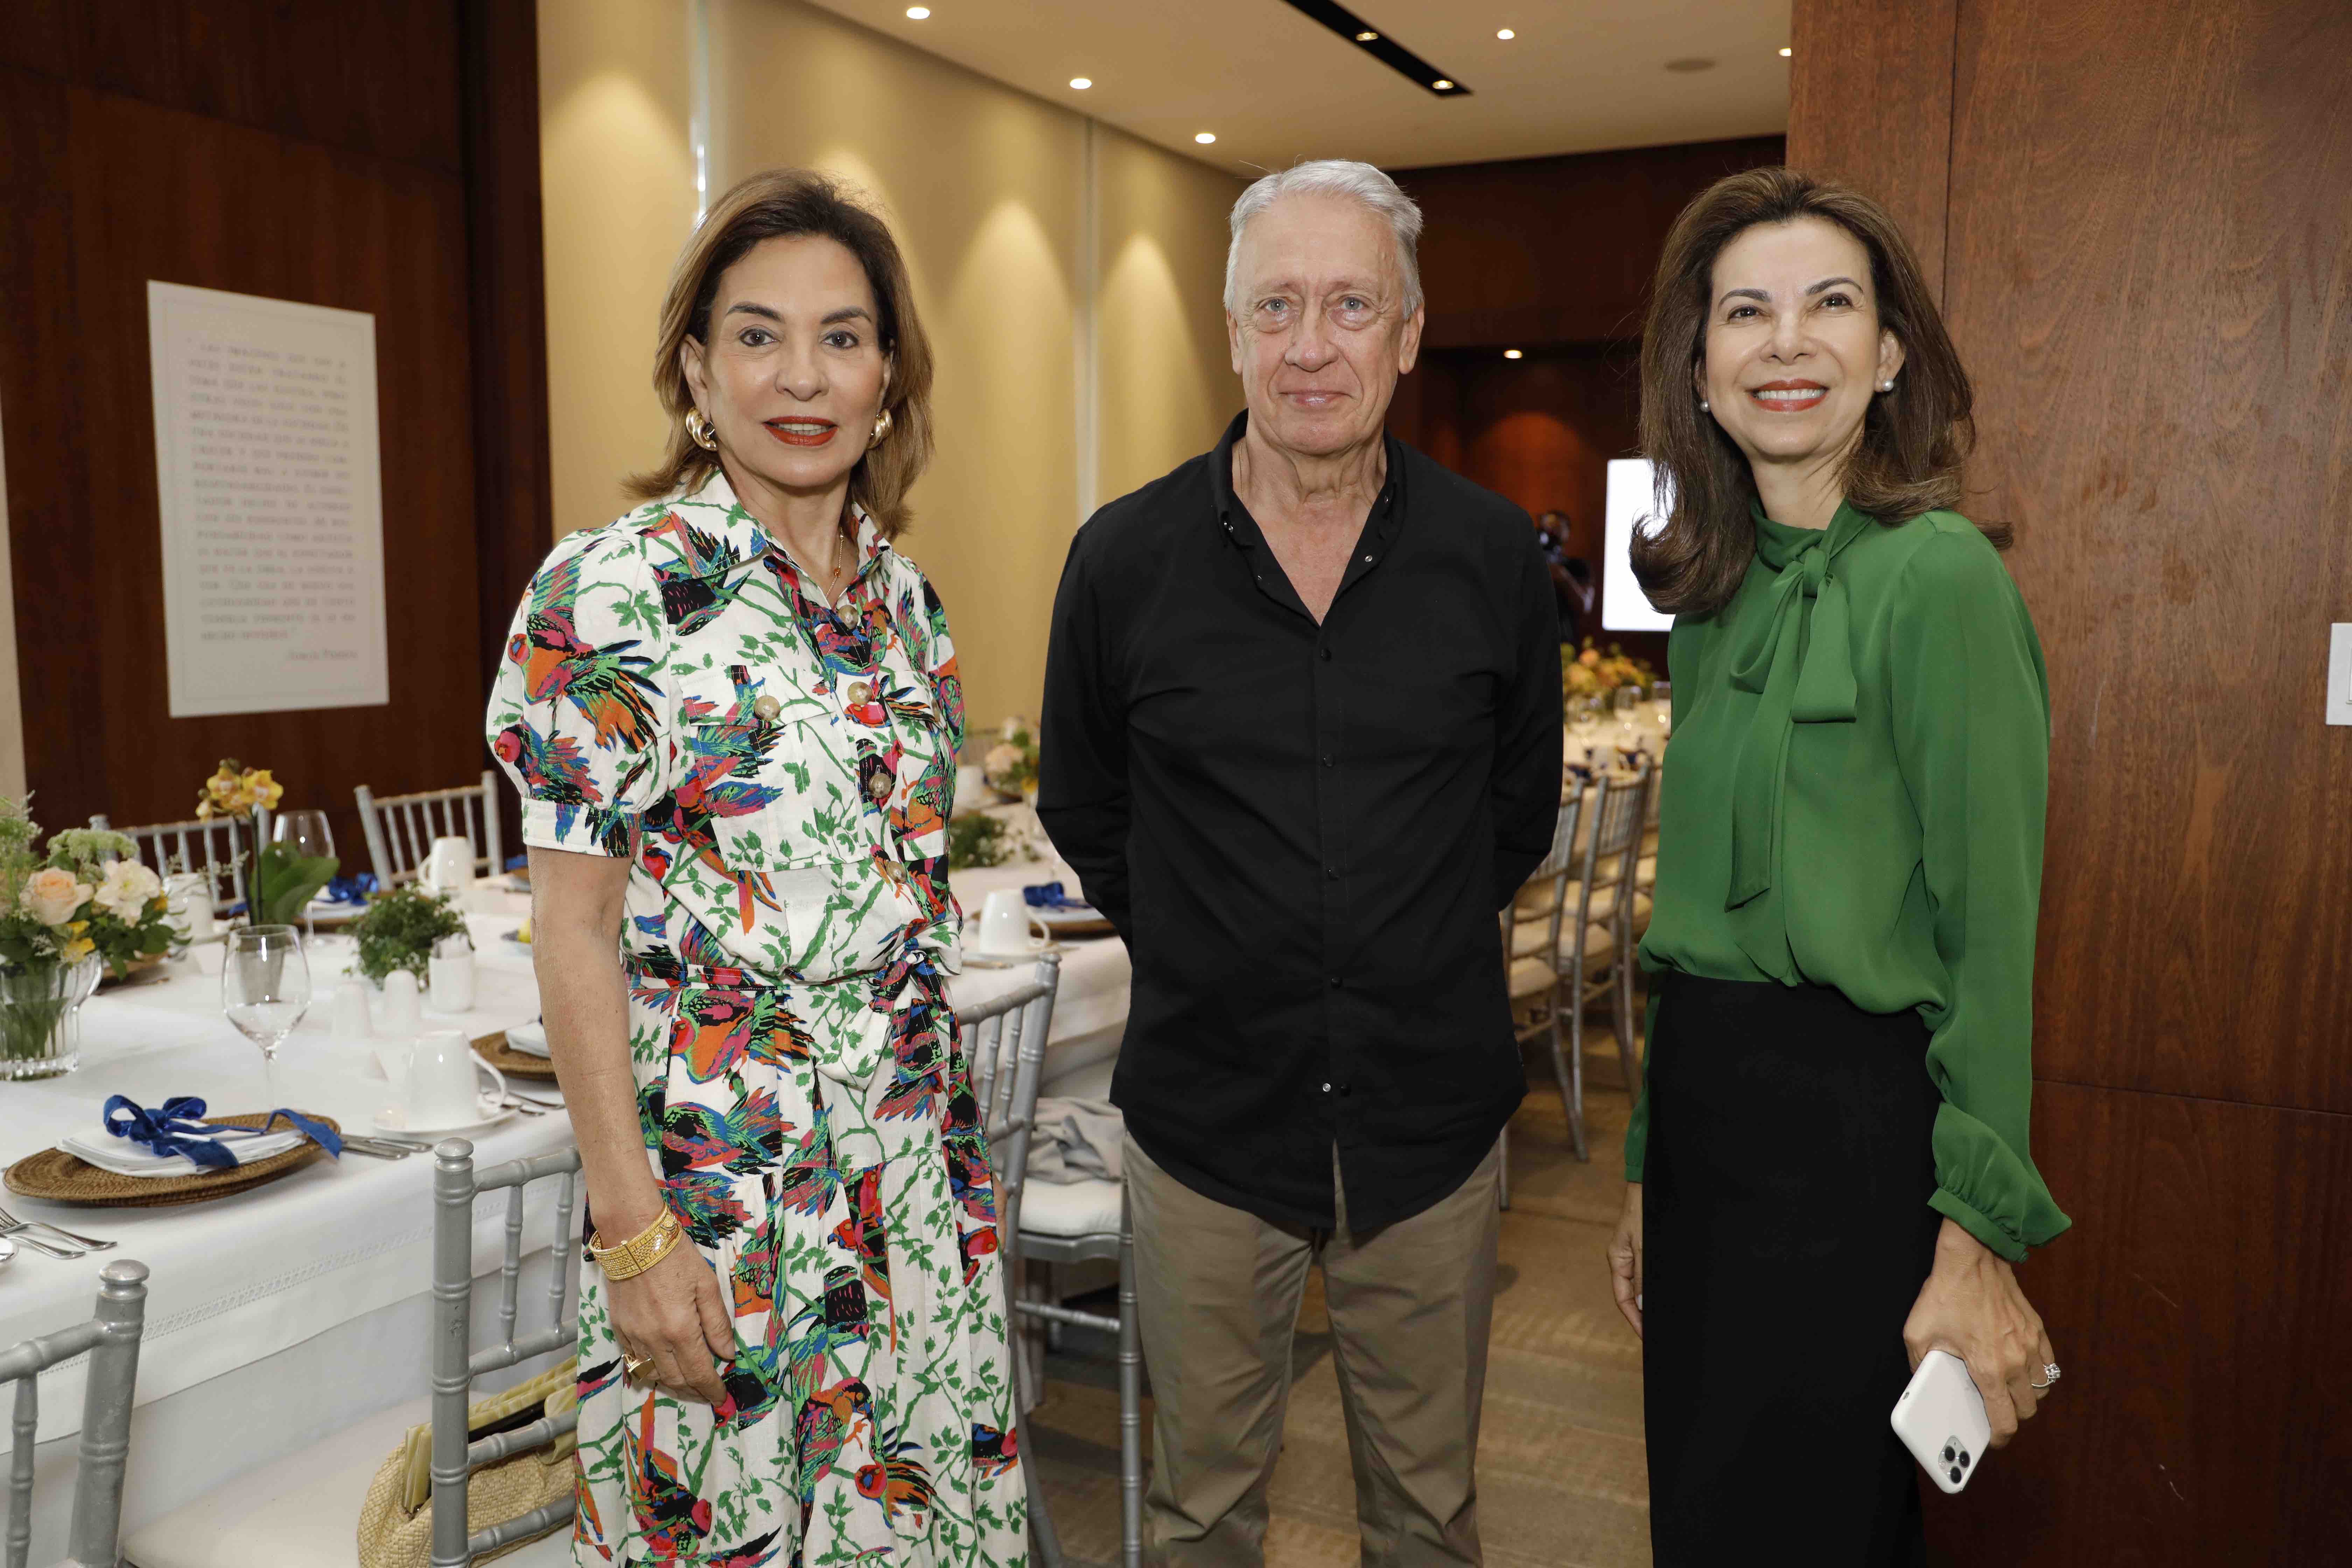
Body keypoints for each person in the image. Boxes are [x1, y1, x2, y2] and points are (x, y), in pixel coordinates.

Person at [486, 169, 1023, 1567]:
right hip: (720, 1198)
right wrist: (632, 1236)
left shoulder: (908, 608)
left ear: (891, 376)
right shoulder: (612, 591)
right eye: (758, 334)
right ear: (694, 369)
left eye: (844, 338)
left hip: (910, 1183)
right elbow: (572, 936)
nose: (803, 376)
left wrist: (949, 1189)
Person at [1038, 160, 1563, 1567]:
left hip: (1430, 1126)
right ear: (1232, 332)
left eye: (1350, 305)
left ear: (1407, 331)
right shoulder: (1122, 561)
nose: (1311, 343)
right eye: (1278, 305)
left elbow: (1518, 812)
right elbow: (1086, 808)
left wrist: (1402, 933)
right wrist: (1221, 945)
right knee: (1202, 1514)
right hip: (1211, 1125)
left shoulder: (1493, 557)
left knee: (1430, 1514)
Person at [1604, 166, 2068, 1564]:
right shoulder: (1710, 595)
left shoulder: (1942, 581)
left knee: (1820, 1530)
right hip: (1705, 1128)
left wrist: (1974, 1234)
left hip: (1857, 1145)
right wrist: (1641, 1163)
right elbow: (1682, 928)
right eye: (1745, 312)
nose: (1786, 343)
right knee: (1699, 1517)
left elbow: (1992, 937)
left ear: (1890, 353)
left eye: (1829, 306)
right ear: (1700, 363)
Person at [1533, 508, 1595, 641]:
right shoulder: (1530, 564)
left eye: (1557, 527)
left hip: (1562, 639)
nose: (1552, 531)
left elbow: (1584, 606)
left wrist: (1562, 577)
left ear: (1567, 532)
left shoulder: (1576, 566)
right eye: (1548, 526)